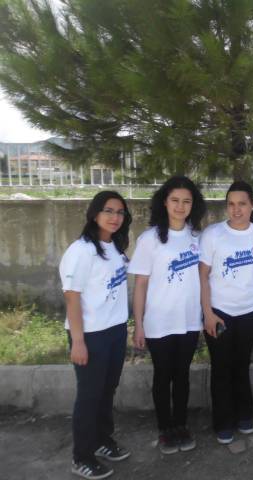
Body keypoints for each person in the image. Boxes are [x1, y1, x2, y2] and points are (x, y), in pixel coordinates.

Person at [129, 176, 207, 454]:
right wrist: (138, 325)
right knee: (163, 375)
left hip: (188, 320)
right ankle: (165, 429)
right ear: (165, 201)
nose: (180, 206)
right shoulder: (149, 239)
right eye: (175, 200)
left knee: (182, 374)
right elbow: (140, 285)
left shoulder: (198, 237)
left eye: (186, 201)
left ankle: (181, 425)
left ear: (193, 205)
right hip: (158, 322)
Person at [59, 191, 132, 479]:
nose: (115, 217)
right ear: (94, 214)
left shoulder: (114, 245)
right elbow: (72, 298)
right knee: (89, 397)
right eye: (108, 211)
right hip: (90, 335)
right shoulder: (81, 251)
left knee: (107, 391)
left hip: (114, 330)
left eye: (120, 212)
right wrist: (78, 342)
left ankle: (103, 441)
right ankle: (81, 457)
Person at [198, 181, 253, 444]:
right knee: (221, 367)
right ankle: (223, 422)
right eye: (231, 203)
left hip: (250, 312)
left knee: (242, 364)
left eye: (242, 203)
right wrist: (208, 313)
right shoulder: (213, 235)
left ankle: (244, 415)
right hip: (219, 312)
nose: (236, 209)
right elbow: (203, 276)